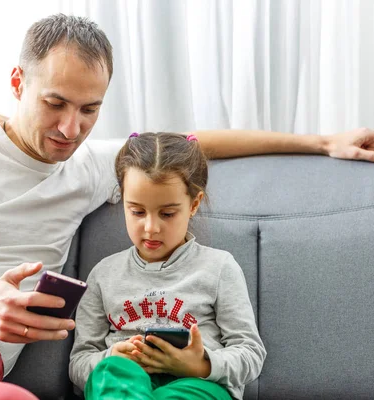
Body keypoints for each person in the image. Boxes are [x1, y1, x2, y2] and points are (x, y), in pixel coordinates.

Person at [0, 13, 374, 400]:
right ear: (16, 81)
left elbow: (193, 142)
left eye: (89, 110)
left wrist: (321, 143)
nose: (69, 128)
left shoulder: (95, 166)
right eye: (54, 103)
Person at [69, 132, 265, 400]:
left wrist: (200, 365)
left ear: (193, 204)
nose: (151, 228)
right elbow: (80, 361)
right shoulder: (104, 275)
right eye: (137, 212)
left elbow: (251, 353)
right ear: (123, 201)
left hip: (197, 384)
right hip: (124, 384)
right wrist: (112, 355)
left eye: (167, 214)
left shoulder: (219, 267)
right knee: (111, 371)